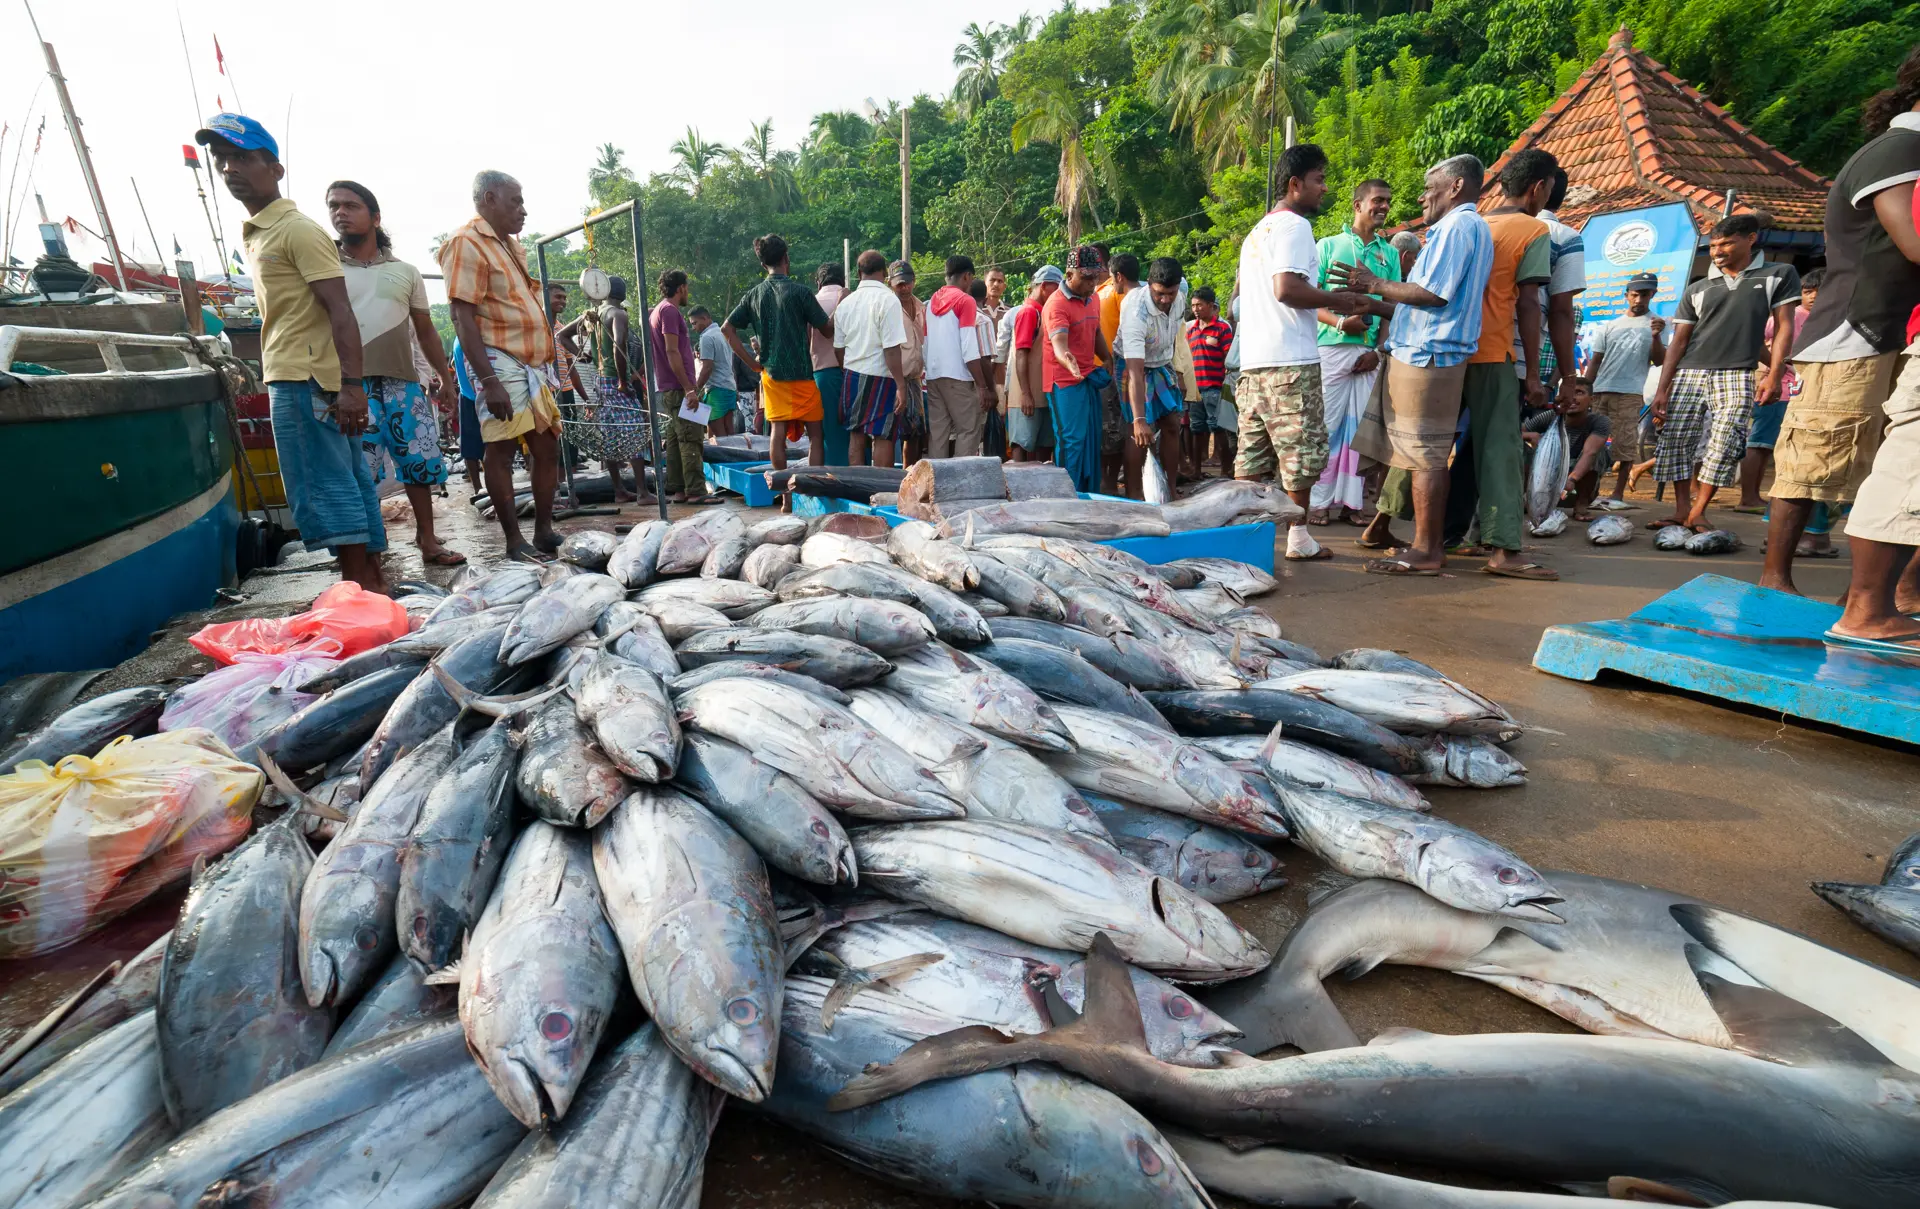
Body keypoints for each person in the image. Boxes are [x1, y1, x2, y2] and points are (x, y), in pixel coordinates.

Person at [197, 113, 386, 592]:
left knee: (324, 482)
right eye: (222, 158)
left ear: (274, 168)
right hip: (308, 374)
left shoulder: (294, 230)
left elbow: (340, 310)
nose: (229, 168)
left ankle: (356, 590)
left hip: (305, 376)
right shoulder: (262, 231)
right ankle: (371, 583)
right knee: (348, 477)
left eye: (242, 157)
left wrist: (351, 386)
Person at [1764, 54, 1920, 598]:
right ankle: (1776, 580)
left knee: (1890, 466)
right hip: (1854, 330)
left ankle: (1879, 595)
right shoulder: (1899, 151)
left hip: (1892, 328)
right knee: (1813, 461)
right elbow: (1914, 244)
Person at [1337, 153, 1496, 576]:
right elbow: (1427, 303)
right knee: (1421, 453)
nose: (1422, 198)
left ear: (1456, 187)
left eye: (1429, 188)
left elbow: (1432, 295)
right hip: (1430, 351)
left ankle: (1427, 550)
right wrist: (1374, 303)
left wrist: (1374, 283)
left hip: (1429, 356)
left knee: (1425, 456)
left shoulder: (1458, 227)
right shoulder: (1465, 227)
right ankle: (1423, 544)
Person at [1234, 143, 1369, 562]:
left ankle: (1240, 539)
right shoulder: (1295, 227)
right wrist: (1337, 300)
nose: (1324, 188)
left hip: (1254, 364)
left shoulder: (1256, 233)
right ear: (1295, 184)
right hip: (1290, 361)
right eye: (1319, 180)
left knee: (1251, 458)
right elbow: (1287, 289)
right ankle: (1298, 538)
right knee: (1301, 456)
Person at [324, 179, 462, 568]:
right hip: (350, 384)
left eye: (351, 205)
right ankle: (369, 544)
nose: (340, 213)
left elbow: (426, 330)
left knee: (419, 463)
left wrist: (445, 378)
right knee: (359, 467)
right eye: (334, 206)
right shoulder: (327, 268)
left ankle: (428, 539)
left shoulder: (405, 272)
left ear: (375, 217)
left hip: (403, 381)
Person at [1647, 213, 1800, 534]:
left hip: (1738, 373)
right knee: (1676, 441)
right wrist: (1662, 388)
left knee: (1726, 441)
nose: (1718, 251)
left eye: (1727, 243)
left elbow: (1784, 326)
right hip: (1689, 373)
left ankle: (1699, 512)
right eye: (1714, 245)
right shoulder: (1698, 288)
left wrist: (1774, 374)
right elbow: (1679, 342)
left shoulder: (1778, 274)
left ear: (1751, 239)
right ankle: (1681, 509)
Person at [440, 170, 562, 563]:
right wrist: (489, 381)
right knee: (502, 448)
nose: (523, 210)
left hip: (530, 364)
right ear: (489, 199)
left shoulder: (511, 245)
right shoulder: (466, 242)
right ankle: (514, 540)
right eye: (516, 202)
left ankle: (543, 530)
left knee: (547, 446)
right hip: (499, 360)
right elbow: (462, 316)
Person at [1312, 178, 1400, 524]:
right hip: (1330, 347)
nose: (1384, 206)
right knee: (1327, 426)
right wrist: (1340, 324)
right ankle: (1318, 502)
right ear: (1358, 205)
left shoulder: (1389, 253)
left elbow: (1392, 307)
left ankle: (1353, 504)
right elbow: (1310, 302)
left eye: (1387, 201)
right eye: (1378, 200)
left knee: (1361, 431)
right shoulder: (1328, 246)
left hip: (1369, 353)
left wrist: (1379, 351)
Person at [723, 234, 834, 488]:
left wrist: (753, 364)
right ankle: (810, 489)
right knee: (816, 436)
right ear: (786, 258)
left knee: (777, 433)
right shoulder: (801, 292)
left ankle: (785, 497)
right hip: (803, 373)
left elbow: (727, 329)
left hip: (772, 375)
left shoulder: (753, 295)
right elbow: (827, 330)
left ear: (763, 264)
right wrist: (840, 306)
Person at [1741, 268, 1821, 513]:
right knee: (1759, 443)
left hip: (1798, 388)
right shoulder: (1792, 315)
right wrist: (1778, 368)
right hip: (1777, 385)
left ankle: (1755, 496)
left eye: (1818, 291)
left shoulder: (1819, 319)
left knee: (1769, 446)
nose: (1813, 296)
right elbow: (1757, 339)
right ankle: (1748, 498)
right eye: (1808, 291)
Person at [1584, 272, 1667, 501]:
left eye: (1645, 295)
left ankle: (1617, 494)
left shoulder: (1658, 324)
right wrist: (1586, 388)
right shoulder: (1610, 326)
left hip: (1630, 392)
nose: (1639, 300)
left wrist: (1656, 336)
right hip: (1600, 390)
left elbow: (1660, 360)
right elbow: (1595, 361)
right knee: (1593, 444)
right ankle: (1589, 491)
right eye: (1635, 295)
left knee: (1624, 444)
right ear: (1626, 295)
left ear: (1652, 295)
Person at [1116, 256, 1192, 497]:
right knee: (1138, 433)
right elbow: (1135, 372)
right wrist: (1139, 419)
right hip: (1132, 366)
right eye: (1159, 293)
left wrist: (1178, 371)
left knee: (1172, 424)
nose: (1165, 299)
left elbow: (1175, 339)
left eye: (1170, 293)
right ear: (1148, 284)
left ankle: (1170, 489)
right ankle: (1134, 495)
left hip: (1162, 362)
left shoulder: (1181, 297)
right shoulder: (1135, 311)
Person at [833, 249, 916, 469]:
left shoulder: (846, 304)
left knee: (856, 435)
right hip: (882, 376)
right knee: (884, 435)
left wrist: (847, 369)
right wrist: (901, 385)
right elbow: (891, 349)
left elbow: (838, 349)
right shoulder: (888, 300)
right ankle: (880, 487)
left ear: (858, 273)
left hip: (852, 375)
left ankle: (857, 486)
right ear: (884, 272)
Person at [1043, 245, 1113, 491]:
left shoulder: (1093, 298)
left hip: (1088, 376)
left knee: (1092, 439)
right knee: (1071, 441)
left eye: (1095, 277)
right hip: (1064, 381)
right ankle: (1068, 495)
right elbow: (1059, 344)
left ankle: (1088, 493)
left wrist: (1107, 358)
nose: (1092, 284)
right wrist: (1069, 362)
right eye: (1086, 278)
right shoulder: (1056, 304)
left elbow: (1096, 331)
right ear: (1069, 274)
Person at [650, 269, 717, 504]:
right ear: (680, 288)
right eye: (687, 287)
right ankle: (696, 491)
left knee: (676, 440)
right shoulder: (669, 311)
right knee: (691, 438)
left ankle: (679, 489)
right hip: (679, 388)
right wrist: (689, 388)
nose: (688, 292)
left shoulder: (658, 311)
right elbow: (671, 350)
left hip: (670, 387)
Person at [923, 254, 995, 459]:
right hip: (959, 378)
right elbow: (969, 348)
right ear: (966, 276)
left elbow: (925, 344)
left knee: (938, 434)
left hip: (934, 377)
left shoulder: (931, 302)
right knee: (968, 430)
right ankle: (961, 477)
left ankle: (935, 477)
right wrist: (982, 386)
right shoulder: (966, 301)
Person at [590, 275, 651, 504]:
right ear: (622, 294)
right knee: (635, 433)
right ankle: (642, 492)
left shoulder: (593, 314)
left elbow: (563, 336)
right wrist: (623, 383)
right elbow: (618, 345)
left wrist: (588, 356)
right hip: (615, 381)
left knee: (610, 436)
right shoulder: (618, 313)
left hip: (600, 381)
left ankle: (619, 491)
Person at [1533, 167, 1587, 400]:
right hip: (1528, 367)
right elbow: (1562, 309)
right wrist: (1569, 377)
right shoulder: (1566, 236)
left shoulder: (1491, 226)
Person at [1523, 375, 1610, 520]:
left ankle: (1581, 505)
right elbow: (1514, 433)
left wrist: (1571, 479)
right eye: (1569, 393)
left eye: (1579, 392)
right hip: (1543, 483)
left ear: (1592, 400)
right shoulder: (1550, 416)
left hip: (1570, 490)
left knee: (1600, 452)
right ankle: (1527, 498)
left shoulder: (1600, 421)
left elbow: (1590, 452)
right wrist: (1531, 435)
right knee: (1518, 447)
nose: (1573, 398)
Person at [1005, 266, 1063, 462]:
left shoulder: (1043, 312)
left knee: (1044, 446)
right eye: (1056, 288)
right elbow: (1021, 354)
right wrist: (1026, 393)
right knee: (1022, 444)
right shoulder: (1029, 312)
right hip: (1027, 394)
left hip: (1042, 393)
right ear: (1044, 286)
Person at [1096, 253, 1140, 492]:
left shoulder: (1119, 292)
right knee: (1104, 430)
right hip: (1095, 372)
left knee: (1116, 429)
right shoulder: (1096, 292)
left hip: (1115, 370)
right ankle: (1107, 482)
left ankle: (1114, 483)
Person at [1185, 286, 1234, 477]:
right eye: (1193, 306)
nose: (1196, 309)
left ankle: (1225, 470)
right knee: (1197, 428)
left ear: (1211, 305)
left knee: (1218, 428)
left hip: (1215, 386)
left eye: (1200, 305)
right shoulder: (1191, 329)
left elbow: (1228, 358)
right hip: (1195, 388)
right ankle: (1196, 469)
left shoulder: (1222, 328)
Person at [811, 262, 851, 465]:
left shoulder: (812, 301)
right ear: (843, 280)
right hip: (854, 373)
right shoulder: (852, 299)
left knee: (829, 431)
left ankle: (832, 476)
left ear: (818, 283)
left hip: (822, 375)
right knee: (855, 431)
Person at [889, 260, 928, 466]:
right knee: (889, 433)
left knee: (915, 433)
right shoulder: (889, 307)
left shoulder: (921, 307)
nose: (904, 288)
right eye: (899, 284)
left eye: (907, 283)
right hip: (893, 378)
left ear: (914, 281)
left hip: (914, 378)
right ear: (891, 284)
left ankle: (909, 474)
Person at [690, 306, 737, 438]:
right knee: (729, 431)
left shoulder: (706, 337)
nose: (693, 327)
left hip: (716, 388)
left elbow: (707, 367)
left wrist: (695, 389)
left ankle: (724, 452)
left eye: (695, 323)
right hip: (729, 387)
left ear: (704, 318)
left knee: (718, 432)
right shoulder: (723, 333)